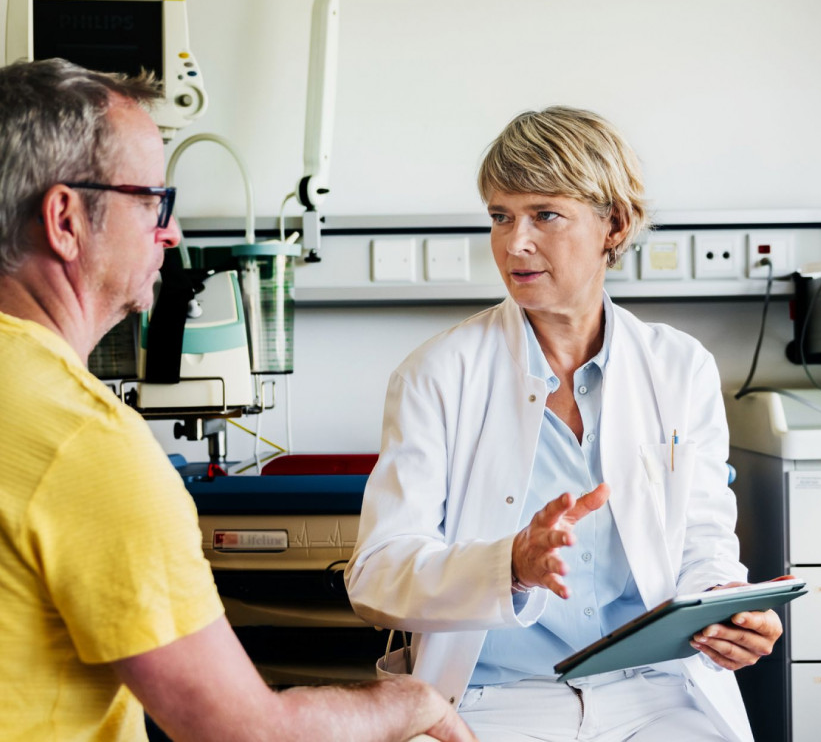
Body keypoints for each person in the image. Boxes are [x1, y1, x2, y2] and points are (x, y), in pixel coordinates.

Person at [0, 58, 474, 742]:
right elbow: (246, 733)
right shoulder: (85, 446)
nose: (172, 233)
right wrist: (408, 702)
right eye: (153, 203)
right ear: (66, 219)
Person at [345, 106, 784, 741]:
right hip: (494, 695)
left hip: (655, 689)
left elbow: (703, 540)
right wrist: (509, 566)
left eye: (544, 214)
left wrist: (726, 611)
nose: (513, 242)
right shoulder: (436, 374)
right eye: (500, 216)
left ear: (616, 223)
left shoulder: (680, 367)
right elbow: (376, 576)